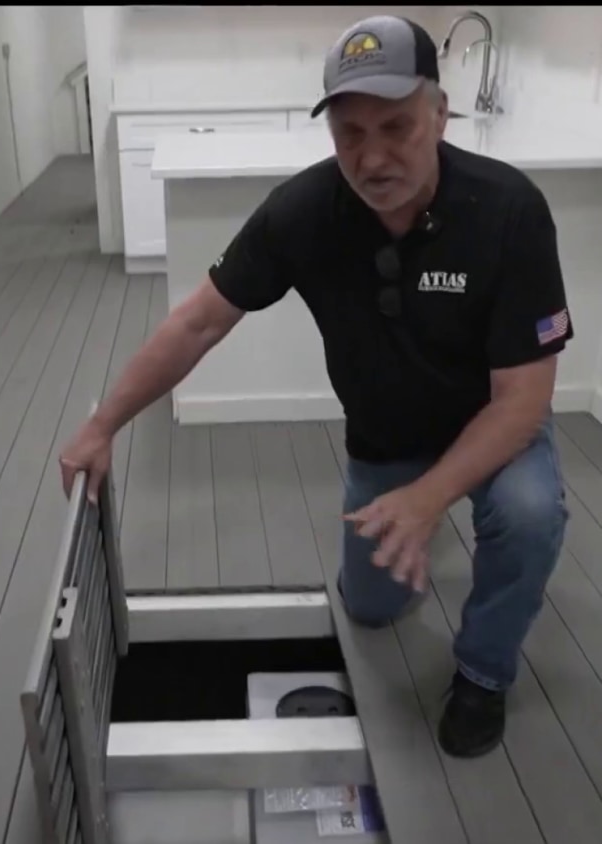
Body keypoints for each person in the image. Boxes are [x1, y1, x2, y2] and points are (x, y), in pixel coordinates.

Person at [58, 14, 571, 759]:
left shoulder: (509, 211)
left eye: (397, 128)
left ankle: (484, 674)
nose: (373, 157)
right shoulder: (302, 213)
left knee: (528, 514)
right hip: (386, 441)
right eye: (349, 134)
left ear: (440, 114)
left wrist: (430, 499)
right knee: (369, 607)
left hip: (492, 426)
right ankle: (407, 532)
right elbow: (197, 324)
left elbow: (524, 400)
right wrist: (102, 424)